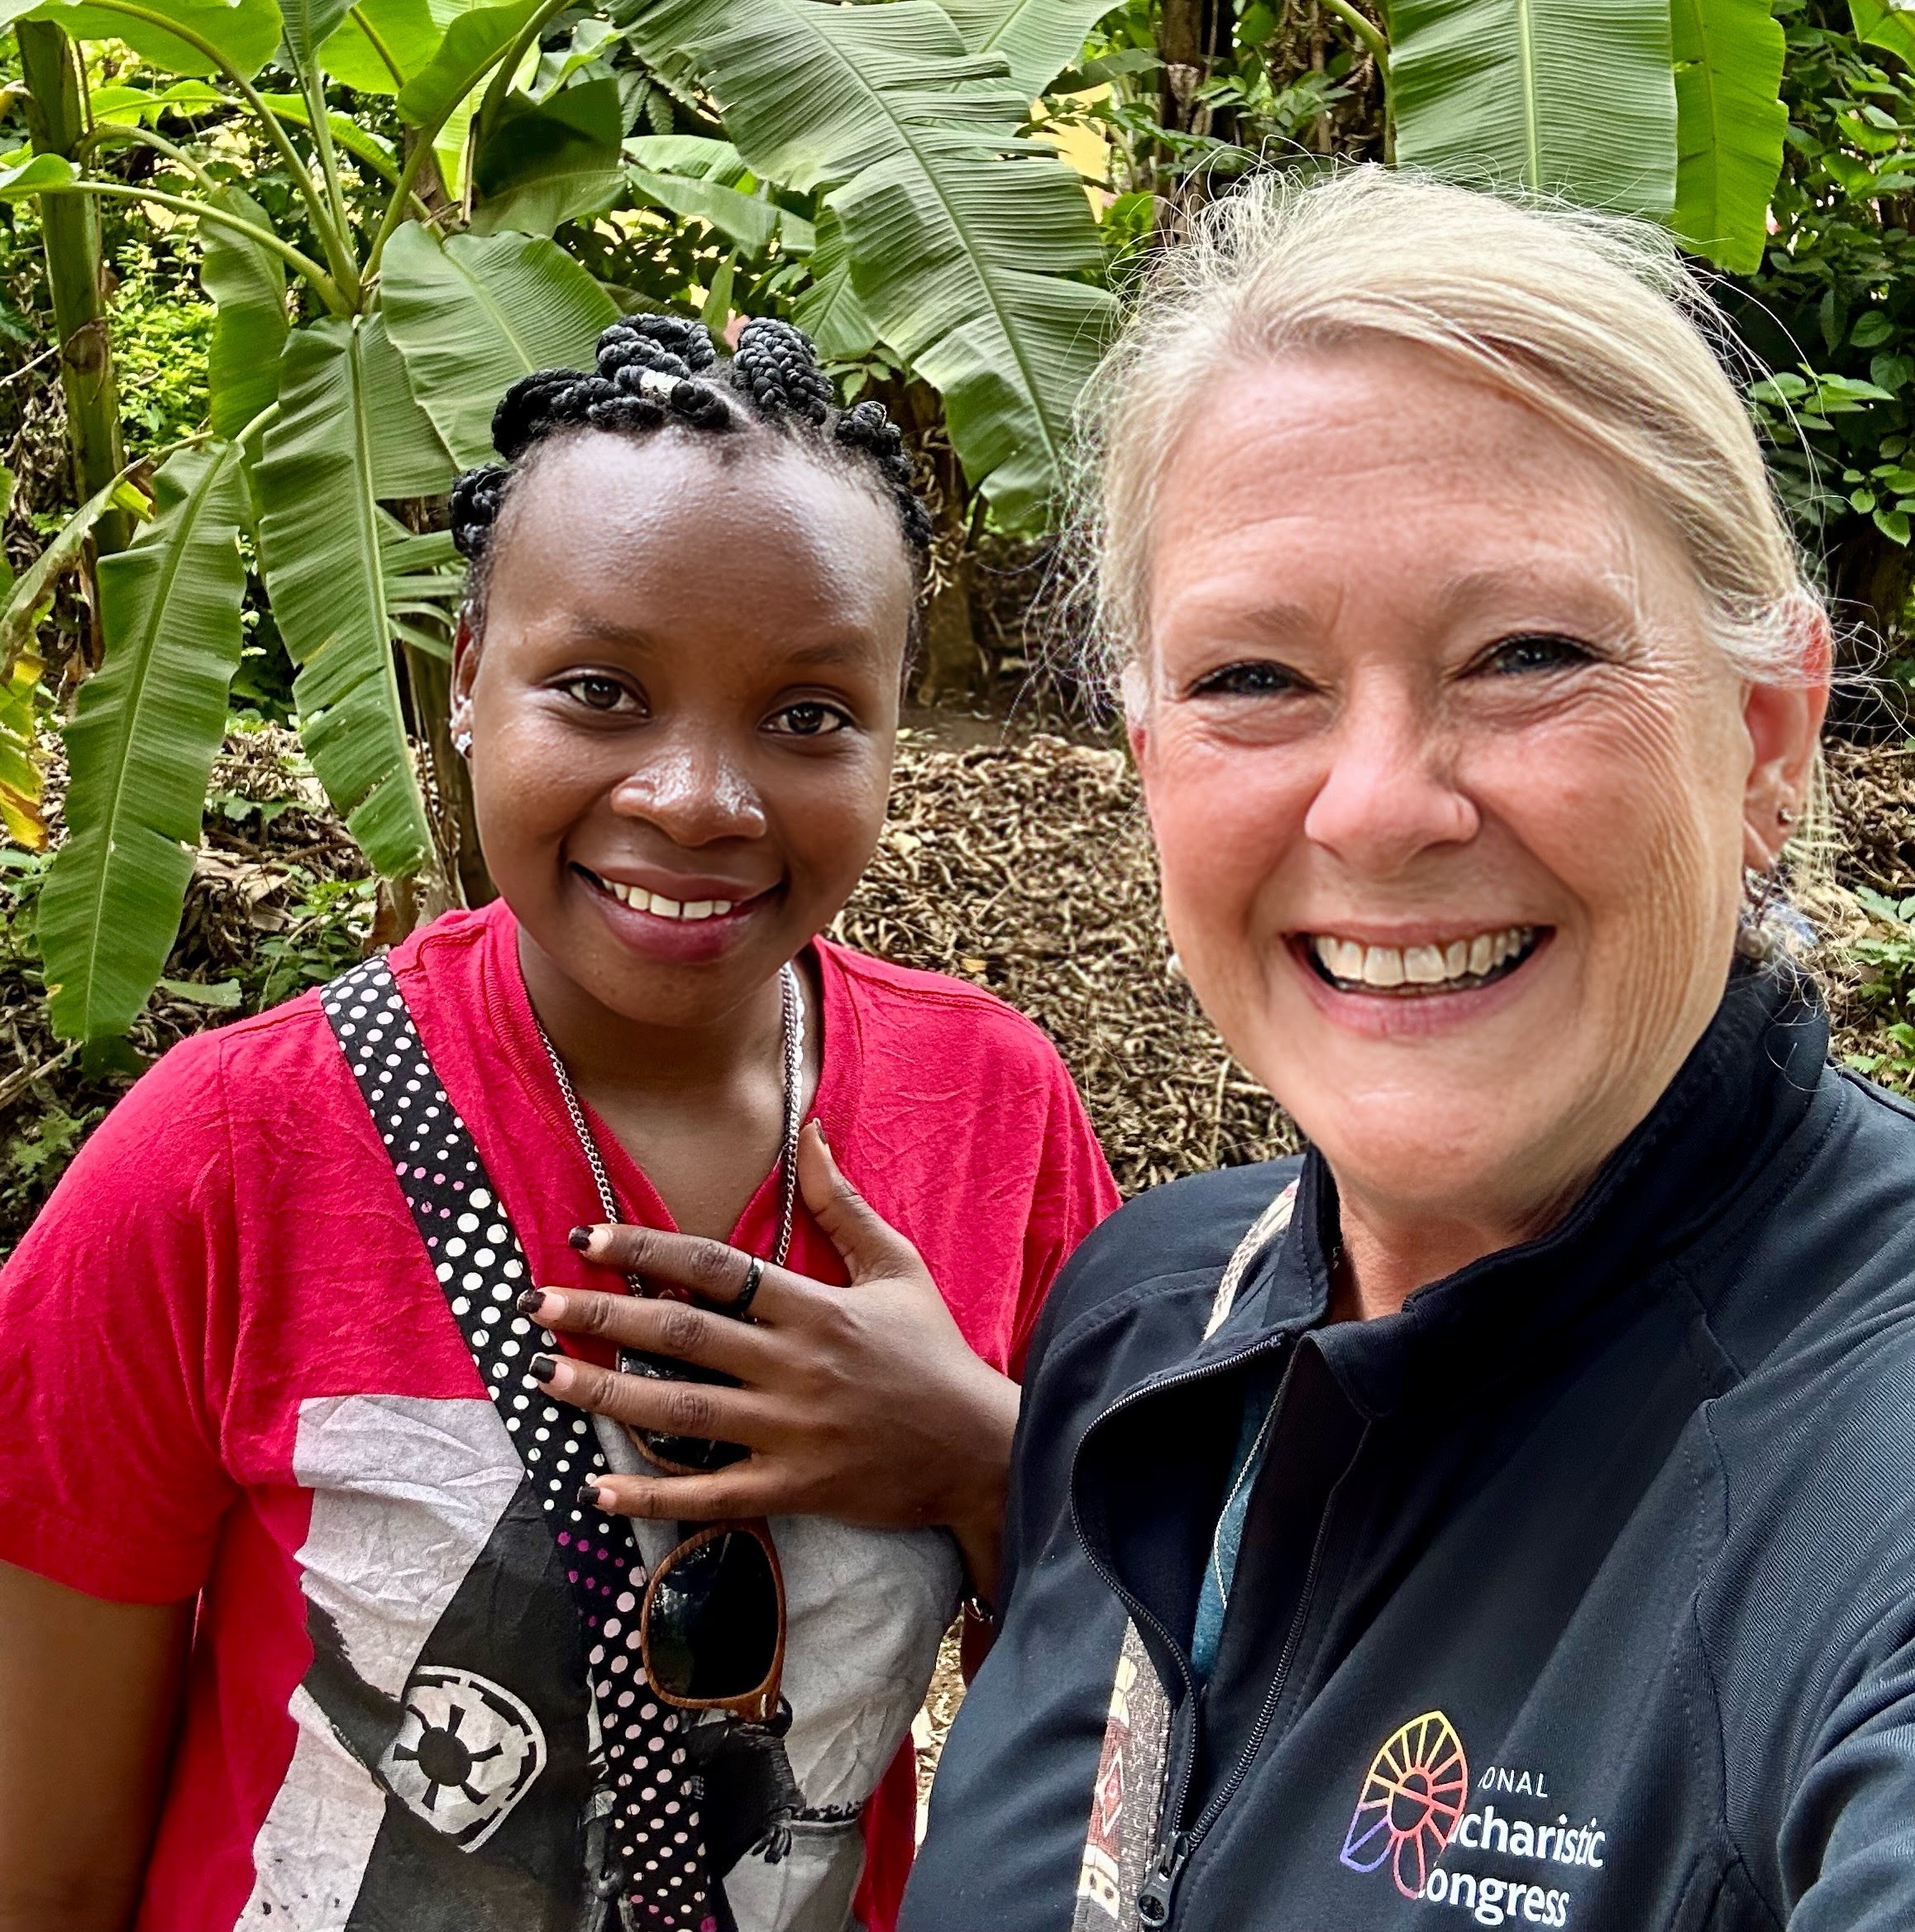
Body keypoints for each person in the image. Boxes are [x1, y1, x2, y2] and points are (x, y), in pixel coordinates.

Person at [0, 313, 1117, 1932]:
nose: (698, 798)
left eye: (809, 714)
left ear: (894, 733)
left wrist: (988, 1460)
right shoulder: (226, 1153)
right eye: (600, 689)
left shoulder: (992, 1115)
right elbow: (46, 1864)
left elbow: (1106, 1734)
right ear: (468, 680)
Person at [902, 169, 1915, 1932]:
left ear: (1767, 735)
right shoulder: (1151, 1322)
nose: (1376, 806)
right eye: (1252, 678)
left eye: (1526, 653)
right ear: (1146, 752)